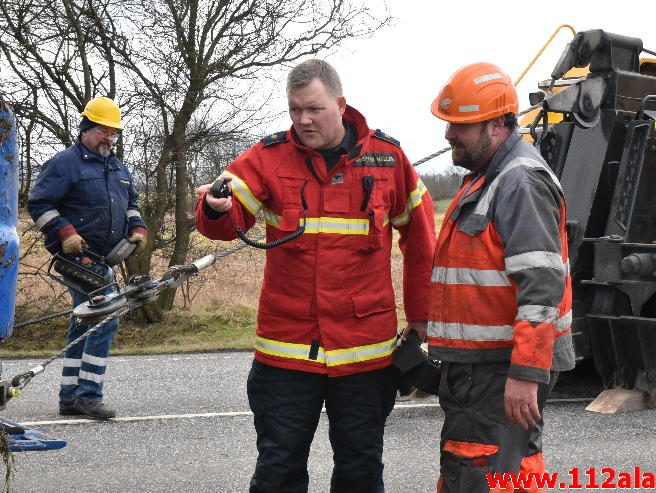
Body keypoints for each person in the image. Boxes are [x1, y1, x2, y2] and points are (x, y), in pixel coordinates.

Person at [195, 59, 436, 493]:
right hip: (287, 352)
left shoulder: (388, 159)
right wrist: (213, 209)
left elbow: (421, 245)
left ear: (340, 105)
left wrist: (422, 319)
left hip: (365, 353)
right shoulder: (266, 157)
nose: (302, 120)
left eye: (313, 109)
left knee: (361, 471)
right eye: (294, 110)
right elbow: (223, 221)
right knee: (277, 471)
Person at [427, 63, 576, 492]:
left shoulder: (519, 182)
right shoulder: (488, 176)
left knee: (482, 472)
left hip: (498, 367)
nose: (449, 134)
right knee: (502, 471)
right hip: (485, 366)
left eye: (461, 125)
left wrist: (526, 373)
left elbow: (541, 288)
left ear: (497, 124)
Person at [28, 97, 147, 420]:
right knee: (107, 314)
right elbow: (39, 204)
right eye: (102, 131)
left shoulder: (118, 167)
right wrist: (65, 232)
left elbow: (132, 202)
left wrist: (137, 225)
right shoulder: (64, 164)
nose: (108, 138)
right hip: (76, 257)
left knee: (84, 318)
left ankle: (70, 396)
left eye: (113, 133)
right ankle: (88, 395)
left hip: (104, 258)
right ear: (85, 129)